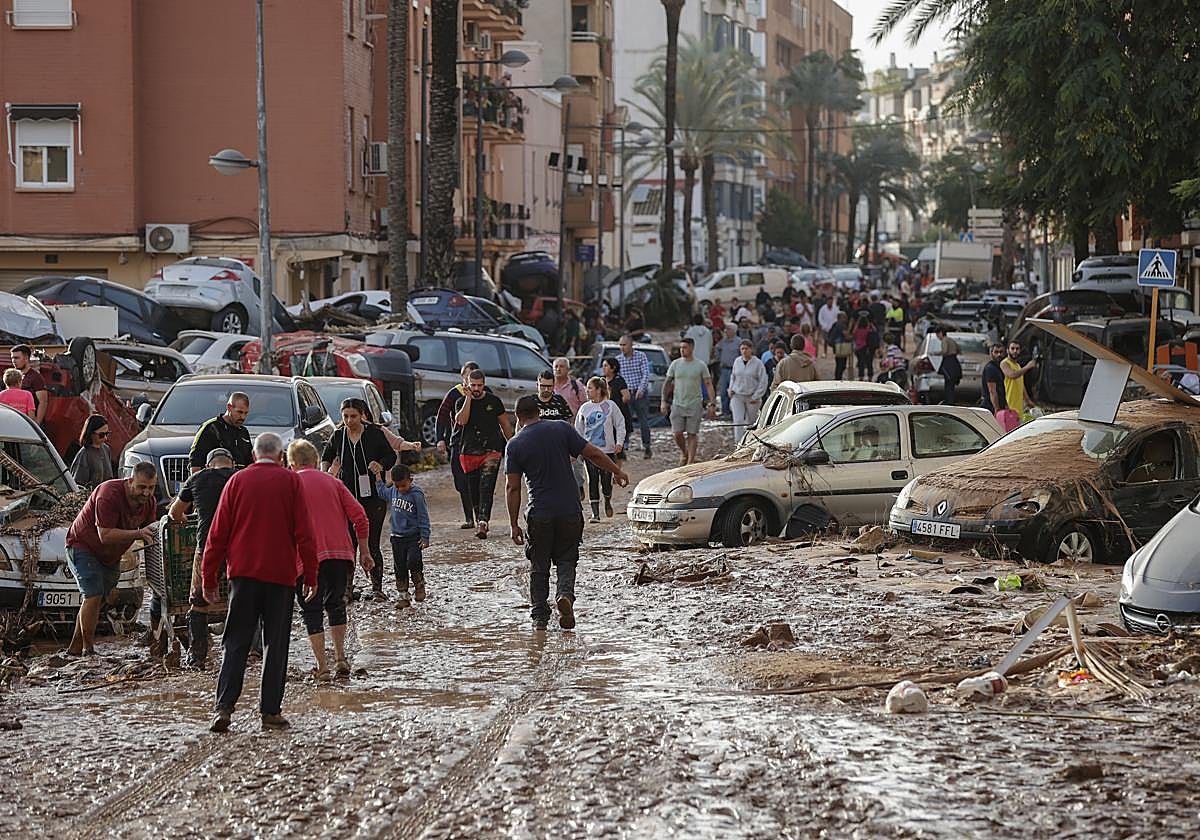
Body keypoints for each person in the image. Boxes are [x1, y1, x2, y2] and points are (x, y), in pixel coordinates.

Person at [203, 432, 317, 733]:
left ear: (254, 456)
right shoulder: (291, 482)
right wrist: (311, 574)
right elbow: (305, 532)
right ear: (281, 457)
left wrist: (208, 576)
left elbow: (217, 534)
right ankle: (269, 712)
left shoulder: (237, 482)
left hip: (242, 575)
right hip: (280, 576)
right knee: (275, 644)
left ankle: (224, 708)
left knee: (236, 640)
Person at [505, 395, 628, 629]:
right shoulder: (562, 429)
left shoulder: (515, 444)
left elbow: (512, 487)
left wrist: (513, 524)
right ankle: (565, 596)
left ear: (518, 417)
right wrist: (616, 472)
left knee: (539, 566)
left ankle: (540, 618)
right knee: (566, 559)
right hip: (570, 511)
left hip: (539, 513)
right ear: (539, 412)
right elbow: (592, 453)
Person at [286, 439, 369, 680]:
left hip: (305, 558)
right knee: (336, 604)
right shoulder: (334, 482)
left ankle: (322, 666)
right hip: (340, 555)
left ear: (291, 464)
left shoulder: (290, 485)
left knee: (310, 610)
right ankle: (341, 658)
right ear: (314, 461)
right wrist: (364, 551)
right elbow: (360, 517)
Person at [64, 464, 157, 656]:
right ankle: (88, 651)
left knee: (97, 601)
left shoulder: (150, 502)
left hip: (110, 556)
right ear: (129, 481)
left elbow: (152, 533)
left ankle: (74, 649)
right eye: (141, 487)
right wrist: (138, 533)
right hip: (83, 545)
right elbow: (104, 535)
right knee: (93, 595)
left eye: (151, 488)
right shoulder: (109, 493)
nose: (146, 493)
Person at [168, 447, 238, 669]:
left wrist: (190, 518)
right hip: (240, 547)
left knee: (198, 602)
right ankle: (251, 652)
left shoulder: (196, 478)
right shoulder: (240, 477)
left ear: (209, 465)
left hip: (207, 545)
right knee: (245, 597)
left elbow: (174, 513)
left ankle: (197, 656)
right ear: (232, 463)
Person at [322, 397, 396, 599]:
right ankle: (347, 589)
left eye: (353, 416)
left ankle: (377, 588)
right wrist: (326, 473)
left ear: (362, 415)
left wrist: (380, 465)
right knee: (348, 544)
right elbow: (326, 456)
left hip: (373, 496)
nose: (349, 421)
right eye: (345, 416)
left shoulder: (374, 434)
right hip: (346, 496)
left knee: (372, 542)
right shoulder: (338, 436)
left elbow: (391, 456)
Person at [454, 369, 514, 539]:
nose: (476, 388)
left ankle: (483, 522)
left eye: (479, 385)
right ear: (467, 384)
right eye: (473, 385)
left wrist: (513, 443)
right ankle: (478, 518)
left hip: (492, 450)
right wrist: (468, 398)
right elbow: (462, 420)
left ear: (484, 384)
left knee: (487, 486)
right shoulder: (461, 402)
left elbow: (505, 424)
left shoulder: (494, 401)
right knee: (473, 489)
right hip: (469, 451)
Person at [436, 362, 482, 529]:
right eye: (465, 377)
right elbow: (441, 416)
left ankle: (480, 517)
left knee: (478, 481)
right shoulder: (454, 394)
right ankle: (469, 518)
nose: (468, 381)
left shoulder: (485, 394)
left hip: (479, 445)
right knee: (461, 481)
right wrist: (439, 438)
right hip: (458, 443)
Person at [377, 464, 430, 608]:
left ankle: (419, 585)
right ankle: (403, 596)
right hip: (396, 537)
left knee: (414, 562)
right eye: (397, 485)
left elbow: (423, 516)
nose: (401, 489)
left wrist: (425, 536)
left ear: (410, 480)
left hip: (413, 537)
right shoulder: (393, 491)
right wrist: (377, 476)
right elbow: (382, 492)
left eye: (403, 485)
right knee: (399, 567)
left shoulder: (416, 494)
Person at [574, 377, 625, 522]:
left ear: (599, 390)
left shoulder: (610, 406)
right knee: (592, 480)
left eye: (590, 388)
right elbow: (578, 430)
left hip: (607, 451)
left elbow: (620, 424)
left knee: (606, 480)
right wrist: (578, 449)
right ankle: (595, 513)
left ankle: (607, 500)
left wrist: (619, 443)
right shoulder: (584, 408)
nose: (586, 390)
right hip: (589, 451)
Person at [662, 337, 715, 466]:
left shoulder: (700, 365)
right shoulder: (675, 364)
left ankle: (690, 461)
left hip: (695, 403)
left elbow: (708, 384)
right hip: (678, 403)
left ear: (692, 348)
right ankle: (684, 452)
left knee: (692, 434)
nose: (682, 350)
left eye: (685, 347)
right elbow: (667, 383)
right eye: (681, 348)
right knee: (677, 433)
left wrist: (712, 403)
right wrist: (663, 401)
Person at [189, 391, 253, 471]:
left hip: (239, 481)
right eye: (239, 412)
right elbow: (195, 462)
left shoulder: (243, 432)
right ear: (229, 407)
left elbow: (250, 463)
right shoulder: (211, 427)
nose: (243, 417)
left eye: (246, 413)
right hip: (215, 480)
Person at [617, 335, 652, 459]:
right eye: (620, 345)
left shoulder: (641, 356)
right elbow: (618, 378)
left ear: (631, 345)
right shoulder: (618, 360)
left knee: (643, 421)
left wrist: (641, 389)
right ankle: (623, 446)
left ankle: (647, 446)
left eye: (624, 345)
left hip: (640, 393)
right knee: (624, 420)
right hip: (626, 393)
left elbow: (645, 374)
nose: (622, 348)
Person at [729, 340, 769, 444]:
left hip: (752, 396)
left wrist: (756, 396)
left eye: (746, 348)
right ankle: (738, 442)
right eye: (742, 349)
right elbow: (733, 376)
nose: (744, 351)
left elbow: (763, 380)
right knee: (738, 420)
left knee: (751, 422)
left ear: (751, 349)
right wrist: (731, 389)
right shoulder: (737, 361)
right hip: (737, 395)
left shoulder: (758, 363)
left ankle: (750, 442)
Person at [70, 413, 114, 489]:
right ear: (91, 433)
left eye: (107, 434)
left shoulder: (106, 449)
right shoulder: (84, 454)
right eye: (101, 435)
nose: (105, 438)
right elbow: (78, 485)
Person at [601, 356, 632, 456]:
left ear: (613, 368)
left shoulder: (619, 380)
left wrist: (616, 405)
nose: (604, 368)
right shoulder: (601, 381)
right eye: (603, 366)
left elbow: (626, 396)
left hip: (618, 414)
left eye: (606, 366)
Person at [9, 345, 47, 426]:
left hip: (29, 422)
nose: (13, 361)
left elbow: (43, 402)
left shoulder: (36, 377)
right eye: (12, 358)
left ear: (26, 358)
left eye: (16, 358)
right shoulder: (11, 376)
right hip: (11, 421)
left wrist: (37, 423)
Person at [1001, 340, 1038, 418]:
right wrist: (1027, 367)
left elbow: (1021, 384)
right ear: (1008, 350)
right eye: (1012, 348)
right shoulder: (1004, 363)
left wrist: (1028, 400)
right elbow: (1012, 375)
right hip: (1008, 405)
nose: (1015, 351)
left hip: (1018, 407)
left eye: (1017, 349)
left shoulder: (1018, 366)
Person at [713, 325, 741, 417]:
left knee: (734, 391)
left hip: (735, 370)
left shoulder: (738, 342)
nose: (726, 331)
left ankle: (735, 412)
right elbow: (717, 348)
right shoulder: (723, 342)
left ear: (733, 331)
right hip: (724, 370)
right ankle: (725, 411)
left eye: (728, 329)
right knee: (723, 392)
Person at [934, 325, 962, 405]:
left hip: (948, 363)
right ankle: (950, 401)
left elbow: (945, 351)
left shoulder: (944, 340)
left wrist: (935, 353)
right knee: (951, 384)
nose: (937, 337)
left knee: (948, 383)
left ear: (940, 333)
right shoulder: (951, 340)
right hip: (954, 362)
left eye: (937, 334)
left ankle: (949, 401)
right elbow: (959, 350)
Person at [981, 342, 1009, 417]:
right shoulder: (990, 368)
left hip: (1000, 404)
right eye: (996, 352)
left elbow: (1002, 388)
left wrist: (1005, 405)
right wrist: (997, 409)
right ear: (991, 353)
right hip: (990, 407)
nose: (999, 354)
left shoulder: (999, 367)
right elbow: (992, 391)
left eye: (1001, 352)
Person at [852, 313, 879, 381]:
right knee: (869, 362)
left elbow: (853, 333)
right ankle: (870, 376)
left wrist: (857, 322)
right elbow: (875, 331)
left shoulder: (857, 330)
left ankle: (861, 376)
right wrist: (870, 323)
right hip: (867, 347)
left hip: (858, 347)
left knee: (861, 362)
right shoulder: (868, 329)